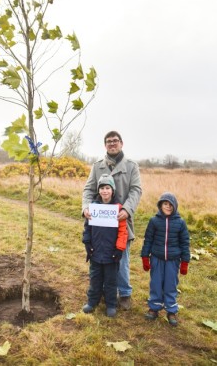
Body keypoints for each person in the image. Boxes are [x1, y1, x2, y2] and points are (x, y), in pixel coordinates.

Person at [82, 131, 142, 310]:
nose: (112, 144)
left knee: (121, 260)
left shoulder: (132, 166)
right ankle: (101, 292)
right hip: (99, 224)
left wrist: (127, 209)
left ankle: (124, 294)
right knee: (99, 259)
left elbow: (136, 190)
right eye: (109, 141)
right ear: (105, 145)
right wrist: (85, 207)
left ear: (121, 143)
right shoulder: (97, 166)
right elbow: (88, 189)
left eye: (115, 141)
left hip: (121, 221)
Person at [140, 192, 190, 326]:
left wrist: (185, 261)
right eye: (165, 204)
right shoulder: (154, 221)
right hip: (157, 258)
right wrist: (145, 256)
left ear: (175, 206)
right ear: (160, 205)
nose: (167, 207)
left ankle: (171, 310)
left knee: (170, 285)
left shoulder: (180, 223)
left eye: (170, 205)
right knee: (155, 283)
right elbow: (148, 240)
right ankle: (154, 308)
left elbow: (185, 242)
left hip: (173, 260)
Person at [82, 174, 128, 317]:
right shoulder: (93, 208)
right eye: (102, 188)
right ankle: (92, 301)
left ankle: (111, 304)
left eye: (107, 188)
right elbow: (87, 228)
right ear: (98, 190)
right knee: (95, 278)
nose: (105, 191)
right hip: (95, 252)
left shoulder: (118, 209)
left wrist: (119, 249)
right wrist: (87, 244)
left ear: (112, 190)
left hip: (111, 254)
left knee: (110, 280)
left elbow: (122, 232)